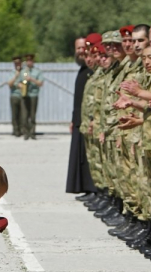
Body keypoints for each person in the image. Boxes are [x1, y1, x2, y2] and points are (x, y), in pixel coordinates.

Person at [65, 37, 97, 198]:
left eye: (83, 48)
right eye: (78, 48)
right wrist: (73, 118)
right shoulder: (83, 70)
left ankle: (92, 189)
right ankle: (85, 187)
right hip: (79, 117)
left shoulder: (92, 71)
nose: (81, 51)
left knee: (88, 155)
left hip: (88, 119)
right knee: (81, 155)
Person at [20, 54, 44, 140]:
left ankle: (32, 132)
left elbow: (41, 83)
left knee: (32, 115)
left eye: (30, 61)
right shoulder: (23, 71)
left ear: (33, 61)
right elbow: (18, 82)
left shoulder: (37, 72)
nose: (29, 62)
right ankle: (26, 133)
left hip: (33, 94)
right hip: (25, 94)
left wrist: (31, 79)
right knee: (24, 115)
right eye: (27, 61)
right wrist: (21, 85)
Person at [8, 55, 23, 137]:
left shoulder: (24, 71)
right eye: (15, 63)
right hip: (14, 95)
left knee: (23, 114)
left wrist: (22, 84)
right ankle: (16, 130)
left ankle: (22, 130)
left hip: (23, 95)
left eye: (18, 63)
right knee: (15, 114)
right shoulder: (12, 73)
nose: (17, 64)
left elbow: (26, 81)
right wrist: (16, 76)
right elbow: (10, 84)